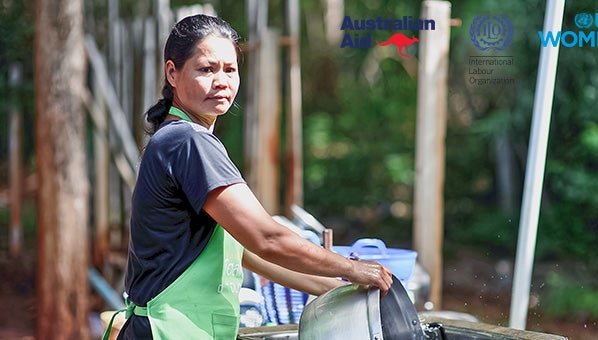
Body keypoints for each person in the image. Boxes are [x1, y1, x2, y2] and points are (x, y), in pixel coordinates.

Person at [112, 14, 393, 339]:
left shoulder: (180, 139)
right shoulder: (189, 142)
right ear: (172, 73)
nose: (221, 81)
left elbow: (246, 250)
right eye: (206, 69)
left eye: (230, 69)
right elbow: (267, 238)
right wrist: (351, 268)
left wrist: (343, 290)